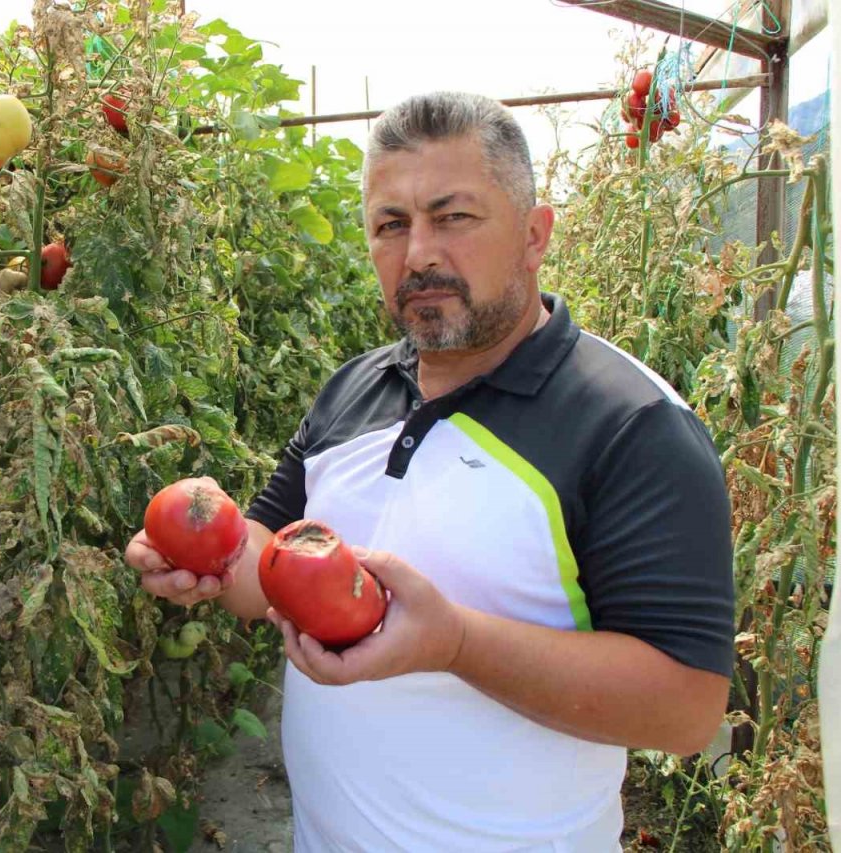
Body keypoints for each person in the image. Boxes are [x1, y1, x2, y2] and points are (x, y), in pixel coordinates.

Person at [125, 91, 734, 851]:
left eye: (454, 217)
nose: (418, 254)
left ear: (535, 234)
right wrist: (203, 554)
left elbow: (685, 707)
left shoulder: (632, 424)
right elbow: (264, 562)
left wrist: (455, 643)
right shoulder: (352, 390)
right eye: (391, 225)